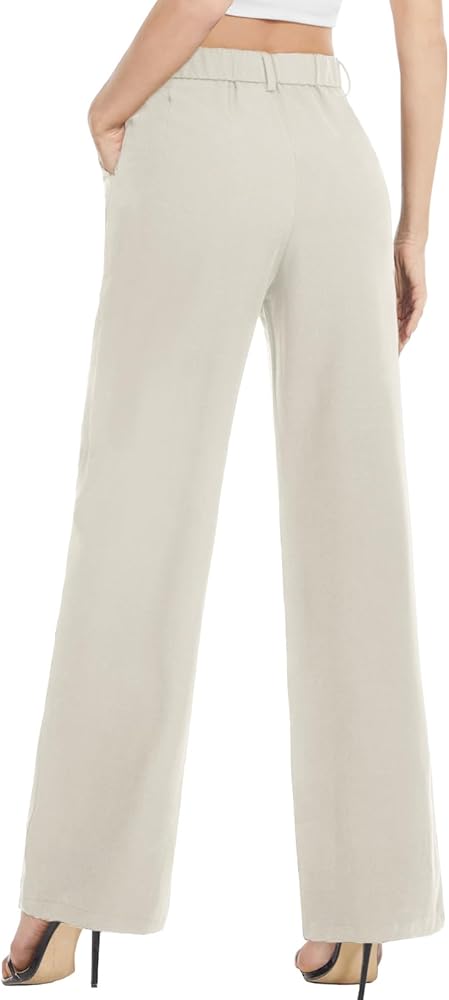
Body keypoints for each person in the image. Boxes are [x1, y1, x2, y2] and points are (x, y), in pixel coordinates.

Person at [2, 0, 447, 995]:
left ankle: (69, 897)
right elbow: (422, 32)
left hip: (198, 124)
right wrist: (413, 228)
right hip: (336, 152)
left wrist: (106, 106)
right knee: (358, 538)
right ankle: (363, 919)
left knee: (136, 512)